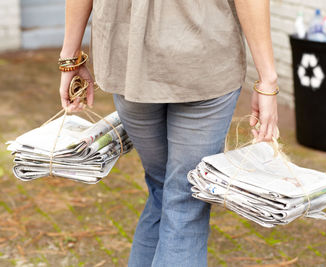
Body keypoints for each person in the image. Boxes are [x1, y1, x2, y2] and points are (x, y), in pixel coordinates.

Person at [59, 1, 279, 266]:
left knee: (162, 187)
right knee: (185, 197)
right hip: (203, 54)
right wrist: (267, 80)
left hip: (128, 59)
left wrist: (70, 59)